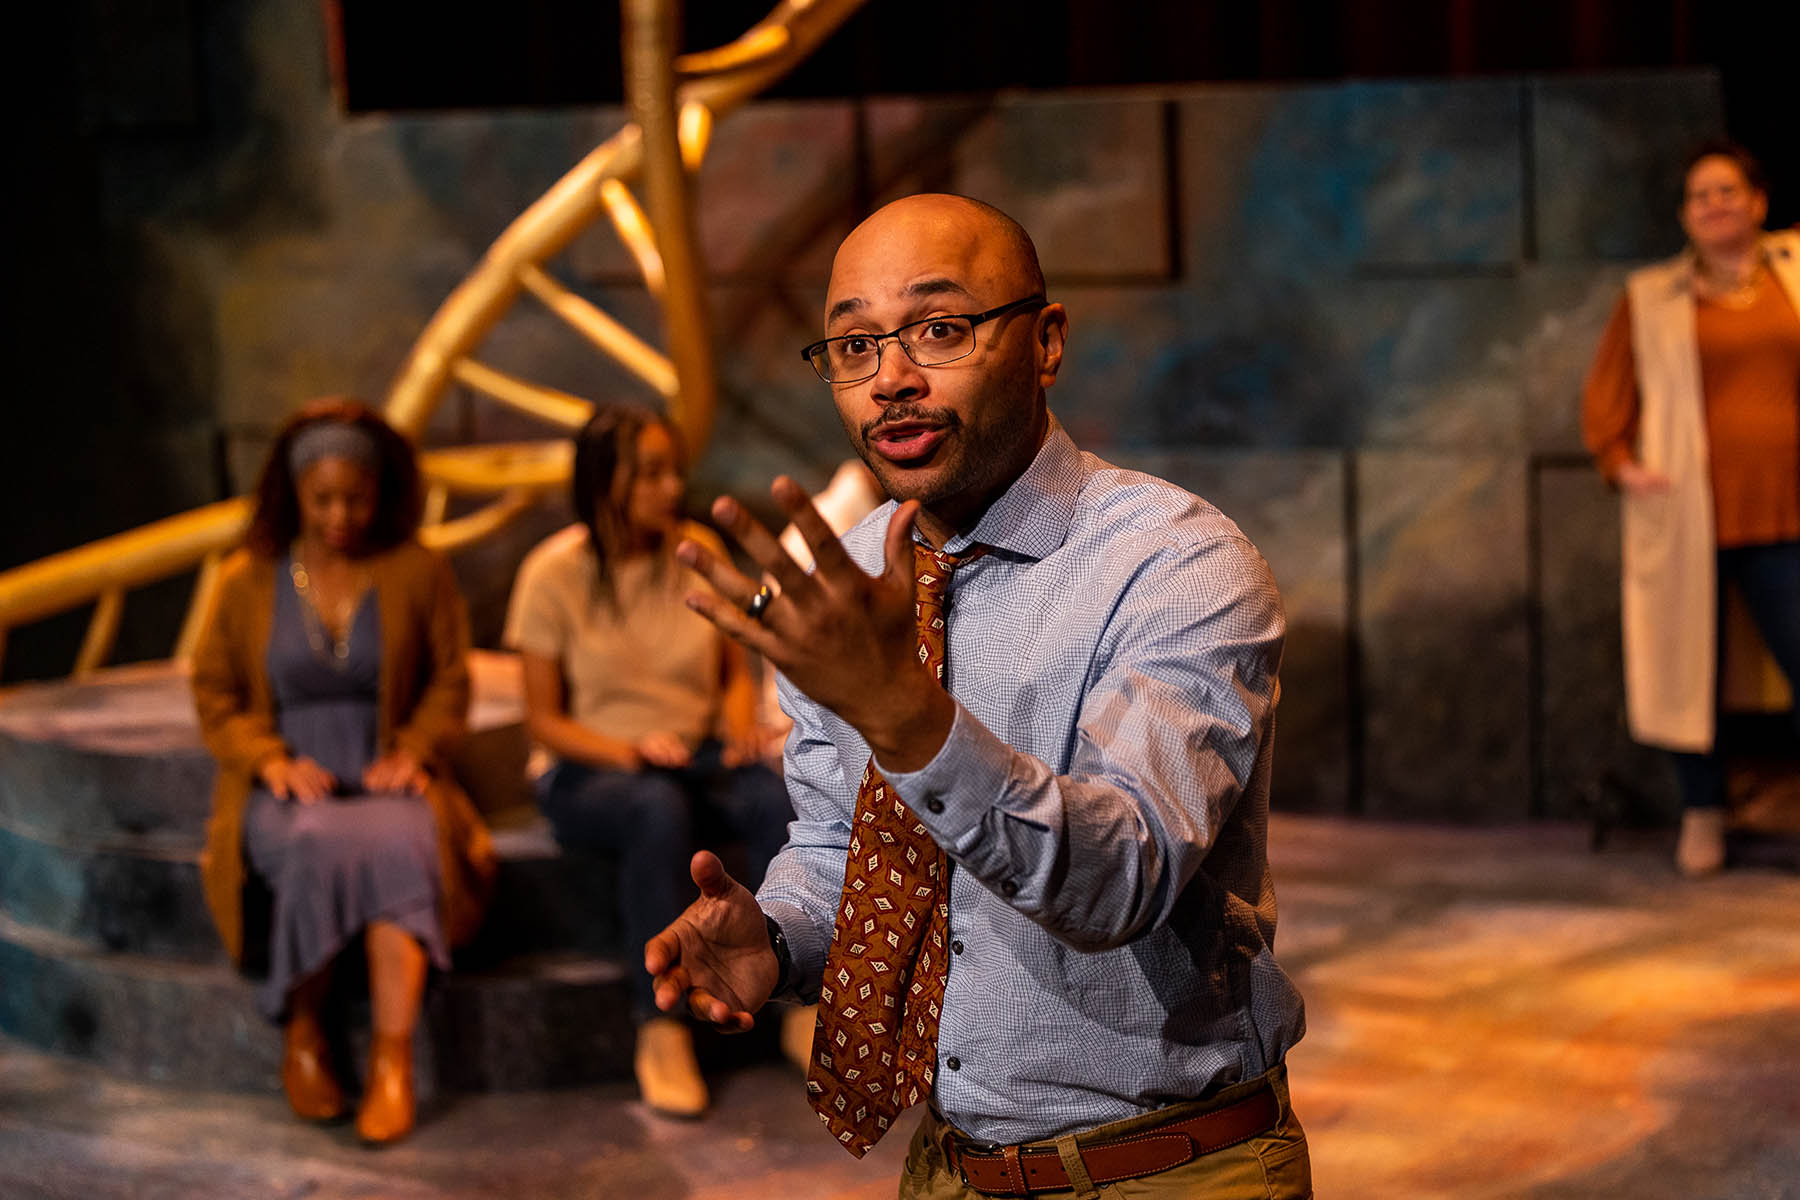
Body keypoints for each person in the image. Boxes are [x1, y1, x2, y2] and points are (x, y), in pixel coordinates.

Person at [646, 194, 1311, 1198]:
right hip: (952, 1165)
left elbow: (1120, 879)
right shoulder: (852, 573)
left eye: (940, 329)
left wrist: (906, 715)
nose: (893, 380)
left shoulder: (1178, 566)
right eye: (854, 344)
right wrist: (778, 936)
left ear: (1044, 342)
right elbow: (845, 846)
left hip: (1167, 1166)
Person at [192, 397, 495, 1145]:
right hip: (288, 782)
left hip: (386, 772)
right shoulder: (247, 578)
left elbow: (451, 678)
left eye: (355, 497)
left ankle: (393, 1061)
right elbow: (214, 691)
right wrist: (268, 758)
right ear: (292, 493)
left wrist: (417, 749)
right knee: (313, 840)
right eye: (322, 499)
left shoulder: (415, 569)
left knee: (404, 841)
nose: (340, 515)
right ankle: (304, 1032)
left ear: (380, 490)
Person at [503, 403, 796, 1118]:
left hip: (692, 760)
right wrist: (629, 751)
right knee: (654, 809)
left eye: (675, 471)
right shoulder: (552, 573)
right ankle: (659, 1025)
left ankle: (796, 1000)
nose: (673, 488)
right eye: (651, 474)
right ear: (605, 484)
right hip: (593, 770)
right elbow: (543, 719)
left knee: (770, 796)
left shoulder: (693, 549)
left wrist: (735, 730)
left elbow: (733, 666)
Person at [1582, 140, 1800, 877]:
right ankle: (1703, 810)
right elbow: (1607, 396)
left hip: (1788, 512)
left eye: (1727, 191)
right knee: (1686, 667)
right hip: (1687, 515)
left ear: (1758, 201)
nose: (1714, 205)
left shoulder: (1796, 274)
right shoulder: (1653, 295)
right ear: (1684, 215)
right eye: (1700, 196)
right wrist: (1622, 464)